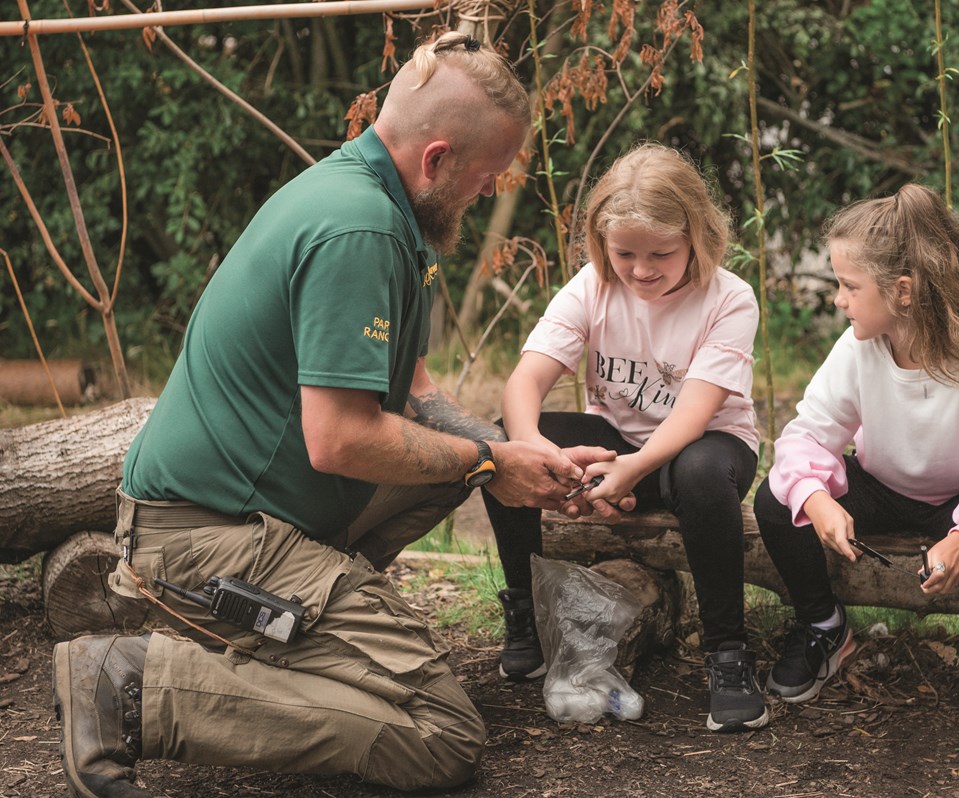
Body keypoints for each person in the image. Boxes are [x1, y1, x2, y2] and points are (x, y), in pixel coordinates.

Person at [51, 33, 614, 798]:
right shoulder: (359, 229)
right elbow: (340, 438)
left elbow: (416, 393)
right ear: (439, 159)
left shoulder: (379, 206)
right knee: (442, 737)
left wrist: (516, 454)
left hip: (255, 514)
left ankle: (307, 631)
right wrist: (489, 462)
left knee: (455, 465)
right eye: (486, 176)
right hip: (203, 540)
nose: (487, 192)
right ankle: (132, 684)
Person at [482, 143, 768, 733]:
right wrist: (534, 448)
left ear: (697, 234)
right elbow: (525, 381)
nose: (641, 269)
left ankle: (728, 652)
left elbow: (692, 415)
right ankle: (524, 613)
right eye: (624, 253)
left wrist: (632, 472)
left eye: (662, 253)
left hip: (702, 446)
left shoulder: (730, 298)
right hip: (617, 446)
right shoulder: (592, 286)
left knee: (700, 471)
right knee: (499, 446)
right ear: (600, 242)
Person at [753, 183, 959, 722]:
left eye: (849, 285)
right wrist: (816, 499)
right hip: (878, 486)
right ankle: (824, 626)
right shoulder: (857, 347)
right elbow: (806, 436)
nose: (839, 299)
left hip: (958, 501)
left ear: (903, 292)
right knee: (775, 502)